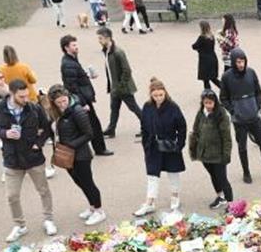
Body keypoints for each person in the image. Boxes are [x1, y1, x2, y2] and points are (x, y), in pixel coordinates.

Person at [0, 79, 56, 241]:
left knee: (43, 190)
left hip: (33, 157)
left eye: (26, 96)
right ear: (11, 93)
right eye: (21, 97)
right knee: (12, 195)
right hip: (12, 158)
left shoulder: (34, 108)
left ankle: (48, 220)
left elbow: (46, 128)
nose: (26, 99)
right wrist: (4, 134)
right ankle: (20, 225)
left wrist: (38, 144)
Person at [220, 47, 261, 184]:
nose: (241, 64)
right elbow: (223, 98)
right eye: (238, 62)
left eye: (242, 61)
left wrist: (257, 107)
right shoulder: (226, 77)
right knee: (242, 147)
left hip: (254, 118)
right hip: (239, 121)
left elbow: (258, 91)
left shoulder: (251, 72)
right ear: (233, 62)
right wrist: (233, 111)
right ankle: (246, 172)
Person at [47, 84, 105, 226]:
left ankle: (99, 210)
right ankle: (92, 206)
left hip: (80, 155)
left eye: (64, 100)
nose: (62, 104)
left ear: (68, 97)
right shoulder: (55, 112)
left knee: (87, 183)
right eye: (59, 102)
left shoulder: (77, 111)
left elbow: (89, 134)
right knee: (78, 182)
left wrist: (71, 145)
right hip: (66, 154)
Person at [133, 78, 188, 216]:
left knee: (173, 172)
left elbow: (182, 127)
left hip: (170, 145)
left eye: (161, 95)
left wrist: (179, 145)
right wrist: (145, 145)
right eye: (155, 95)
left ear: (165, 93)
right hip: (153, 145)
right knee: (152, 175)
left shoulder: (173, 107)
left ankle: (175, 196)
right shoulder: (147, 107)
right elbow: (144, 126)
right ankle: (149, 202)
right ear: (151, 94)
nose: (158, 98)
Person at [59, 34, 112, 156]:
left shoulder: (71, 60)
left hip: (82, 97)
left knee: (90, 125)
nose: (77, 47)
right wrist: (82, 103)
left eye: (76, 44)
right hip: (82, 100)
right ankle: (99, 148)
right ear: (66, 47)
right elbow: (72, 86)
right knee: (92, 125)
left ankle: (97, 148)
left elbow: (75, 79)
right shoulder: (68, 64)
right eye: (74, 45)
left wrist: (86, 75)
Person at [189, 89, 235, 209]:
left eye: (210, 103)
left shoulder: (221, 115)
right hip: (204, 154)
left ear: (215, 102)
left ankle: (231, 203)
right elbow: (196, 130)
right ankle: (220, 196)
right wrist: (194, 149)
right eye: (206, 103)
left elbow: (226, 137)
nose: (208, 105)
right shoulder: (201, 113)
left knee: (222, 178)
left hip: (218, 155)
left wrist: (226, 155)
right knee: (213, 176)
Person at [97, 27, 141, 138]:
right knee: (114, 108)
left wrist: (120, 86)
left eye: (101, 38)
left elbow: (127, 70)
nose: (99, 41)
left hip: (122, 88)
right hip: (115, 88)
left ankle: (147, 125)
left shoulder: (118, 52)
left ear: (108, 38)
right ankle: (111, 129)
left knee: (134, 108)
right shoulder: (107, 51)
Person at [193, 20, 222, 91]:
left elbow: (194, 46)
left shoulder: (202, 37)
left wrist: (199, 49)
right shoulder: (211, 37)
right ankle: (224, 88)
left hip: (205, 60)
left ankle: (208, 93)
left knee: (206, 79)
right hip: (212, 58)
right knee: (213, 78)